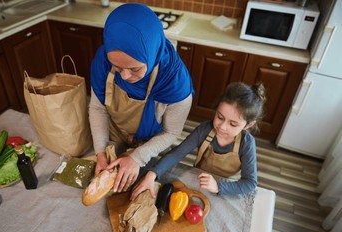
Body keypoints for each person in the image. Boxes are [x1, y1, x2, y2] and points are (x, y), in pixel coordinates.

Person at [89, 3, 194, 193]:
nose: (125, 77)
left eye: (134, 68)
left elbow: (170, 133)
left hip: (149, 145)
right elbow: (98, 108)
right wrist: (101, 152)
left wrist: (138, 157)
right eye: (117, 68)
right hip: (114, 134)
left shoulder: (176, 82)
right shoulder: (102, 61)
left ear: (152, 52)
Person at [131, 82, 266, 200]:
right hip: (199, 178)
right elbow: (176, 154)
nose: (222, 127)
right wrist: (152, 174)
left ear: (248, 125)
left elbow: (249, 183)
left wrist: (218, 187)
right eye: (220, 117)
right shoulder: (205, 129)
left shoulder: (247, 144)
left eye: (233, 124)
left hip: (225, 186)